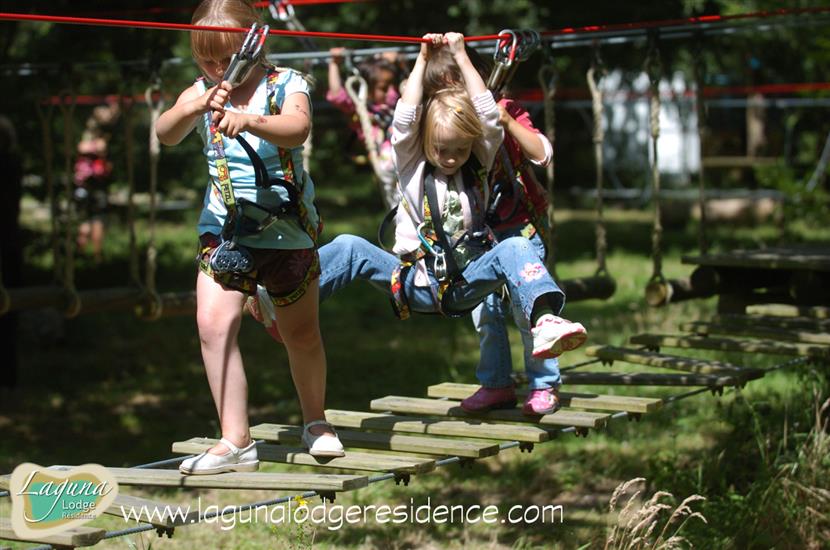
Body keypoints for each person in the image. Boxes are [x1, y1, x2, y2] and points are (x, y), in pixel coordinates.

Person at [256, 33, 586, 417]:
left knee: (516, 247)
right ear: (425, 143)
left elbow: (488, 116)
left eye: (461, 150)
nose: (451, 158)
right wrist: (421, 59)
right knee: (348, 245)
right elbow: (405, 117)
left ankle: (544, 319)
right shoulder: (412, 169)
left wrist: (462, 56)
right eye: (443, 150)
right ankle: (282, 299)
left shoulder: (476, 167)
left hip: (463, 284)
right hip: (415, 280)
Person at [155, 0, 343, 474]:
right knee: (213, 327)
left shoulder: (286, 85)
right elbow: (165, 132)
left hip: (286, 233)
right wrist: (195, 104)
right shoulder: (200, 90)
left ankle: (316, 422)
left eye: (226, 57)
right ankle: (236, 440)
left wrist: (251, 120)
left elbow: (297, 129)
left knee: (300, 334)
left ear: (255, 44)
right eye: (206, 60)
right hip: (225, 233)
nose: (218, 68)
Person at [422, 47, 562, 414]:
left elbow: (542, 154)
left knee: (525, 305)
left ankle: (544, 383)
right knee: (484, 310)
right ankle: (496, 383)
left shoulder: (503, 109)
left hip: (520, 225)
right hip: (480, 234)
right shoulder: (444, 123)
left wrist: (506, 120)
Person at [327, 47, 400, 208]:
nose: (389, 92)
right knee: (394, 199)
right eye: (383, 88)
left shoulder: (390, 102)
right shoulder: (359, 106)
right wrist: (334, 64)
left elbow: (394, 86)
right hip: (385, 158)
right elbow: (337, 95)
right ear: (366, 88)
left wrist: (390, 62)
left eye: (390, 86)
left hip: (402, 155)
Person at [74, 103, 119, 263]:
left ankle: (90, 256)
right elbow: (90, 148)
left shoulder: (95, 136)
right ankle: (94, 256)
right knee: (93, 219)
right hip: (91, 183)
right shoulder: (99, 138)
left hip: (89, 182)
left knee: (91, 218)